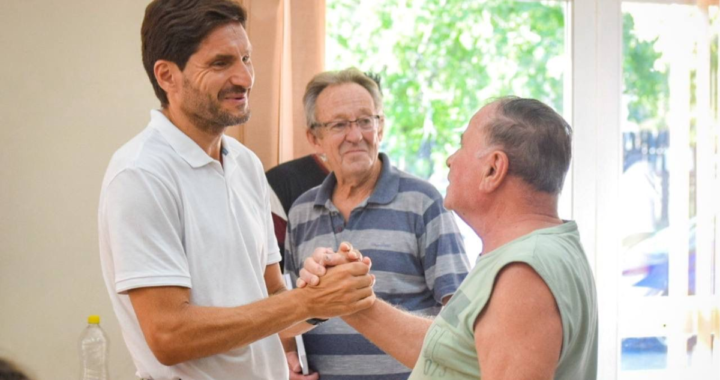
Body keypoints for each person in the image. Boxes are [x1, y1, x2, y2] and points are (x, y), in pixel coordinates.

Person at [97, 1, 375, 379]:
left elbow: (274, 304)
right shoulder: (140, 174)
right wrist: (305, 299)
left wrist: (322, 298)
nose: (244, 78)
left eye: (246, 58)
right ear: (167, 76)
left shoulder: (245, 164)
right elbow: (168, 335)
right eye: (220, 63)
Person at [299, 97, 599, 379]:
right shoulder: (531, 254)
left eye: (462, 145)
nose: (449, 160)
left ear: (493, 169)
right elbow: (449, 355)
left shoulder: (523, 272)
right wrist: (351, 300)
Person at [284, 68, 470, 379]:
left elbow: (461, 314)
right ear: (314, 138)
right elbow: (289, 312)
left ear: (380, 128)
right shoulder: (301, 211)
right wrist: (289, 358)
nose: (355, 136)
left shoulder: (423, 201)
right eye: (340, 125)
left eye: (365, 121)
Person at [266, 153, 329, 269]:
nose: (355, 137)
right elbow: (275, 278)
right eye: (337, 132)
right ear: (314, 139)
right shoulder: (280, 183)